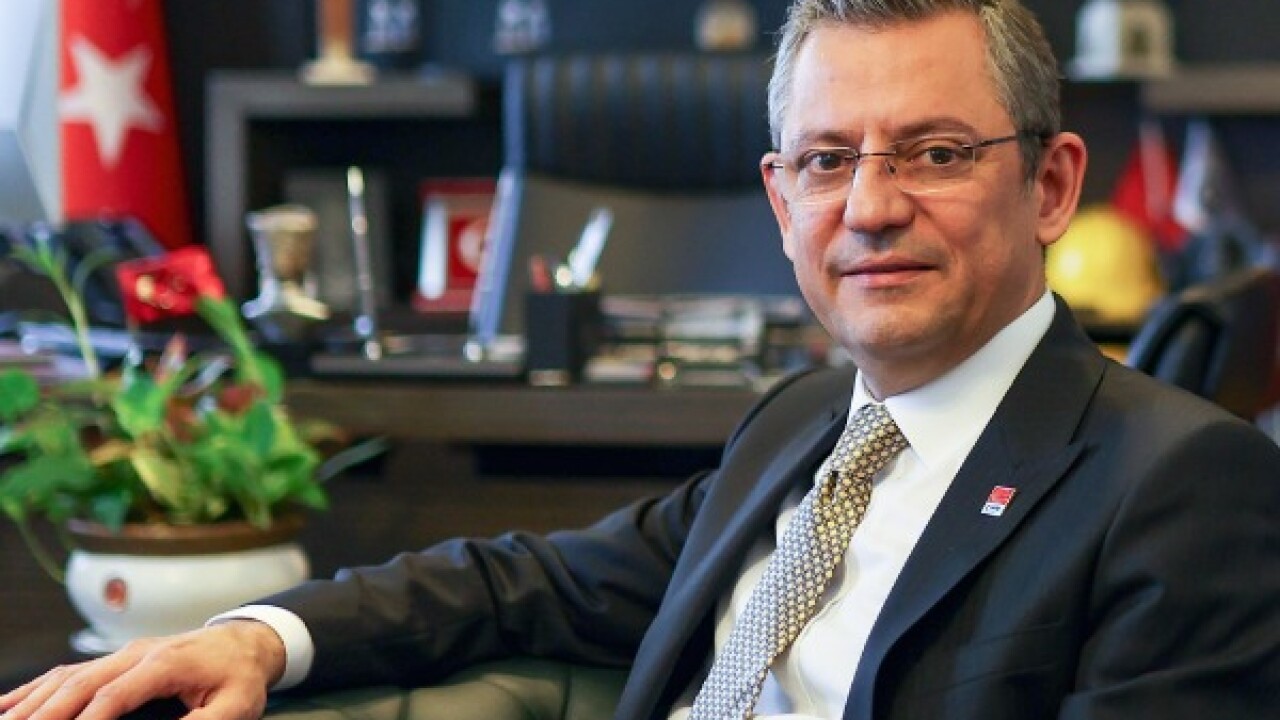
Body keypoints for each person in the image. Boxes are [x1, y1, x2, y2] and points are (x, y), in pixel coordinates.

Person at [5, 0, 1280, 718]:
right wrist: (259, 637)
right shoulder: (801, 426)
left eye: (934, 153)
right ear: (778, 200)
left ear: (1050, 186)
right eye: (826, 160)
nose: (869, 206)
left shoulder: (1180, 484)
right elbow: (531, 581)